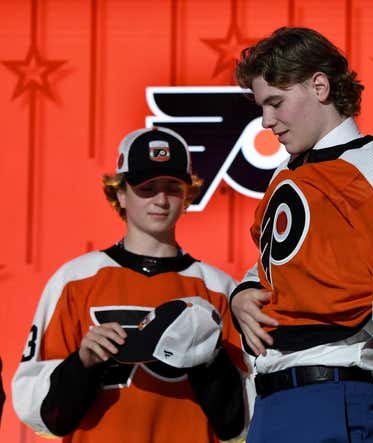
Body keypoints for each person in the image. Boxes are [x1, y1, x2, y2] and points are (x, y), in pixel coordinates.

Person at [231, 27, 373, 442]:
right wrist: (241, 296)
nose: (266, 121)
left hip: (333, 392)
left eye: (276, 102)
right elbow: (269, 269)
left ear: (319, 85)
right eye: (262, 106)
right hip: (270, 400)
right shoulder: (286, 173)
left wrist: (317, 308)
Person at [12, 127, 246, 443]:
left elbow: (240, 420)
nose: (161, 200)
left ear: (187, 194)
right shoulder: (74, 281)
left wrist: (210, 361)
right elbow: (39, 410)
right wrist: (82, 364)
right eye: (147, 187)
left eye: (172, 187)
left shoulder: (220, 289)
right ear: (121, 192)